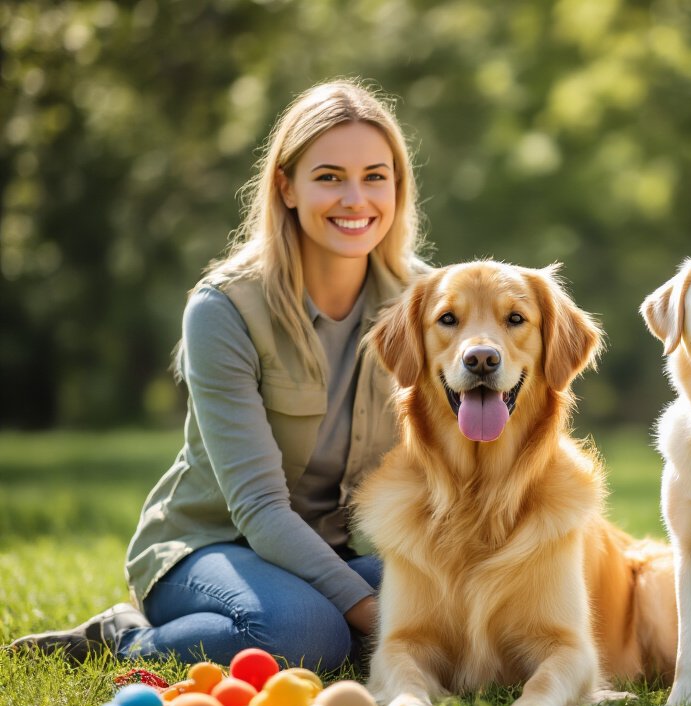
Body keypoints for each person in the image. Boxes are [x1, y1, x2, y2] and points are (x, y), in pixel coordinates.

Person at [9, 79, 425, 670]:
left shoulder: (427, 303)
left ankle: (324, 619)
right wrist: (373, 614)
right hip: (210, 546)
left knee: (456, 601)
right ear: (285, 186)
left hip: (331, 551)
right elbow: (258, 507)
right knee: (310, 634)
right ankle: (118, 636)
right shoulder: (224, 309)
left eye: (375, 176)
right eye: (329, 176)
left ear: (397, 187)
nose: (355, 199)